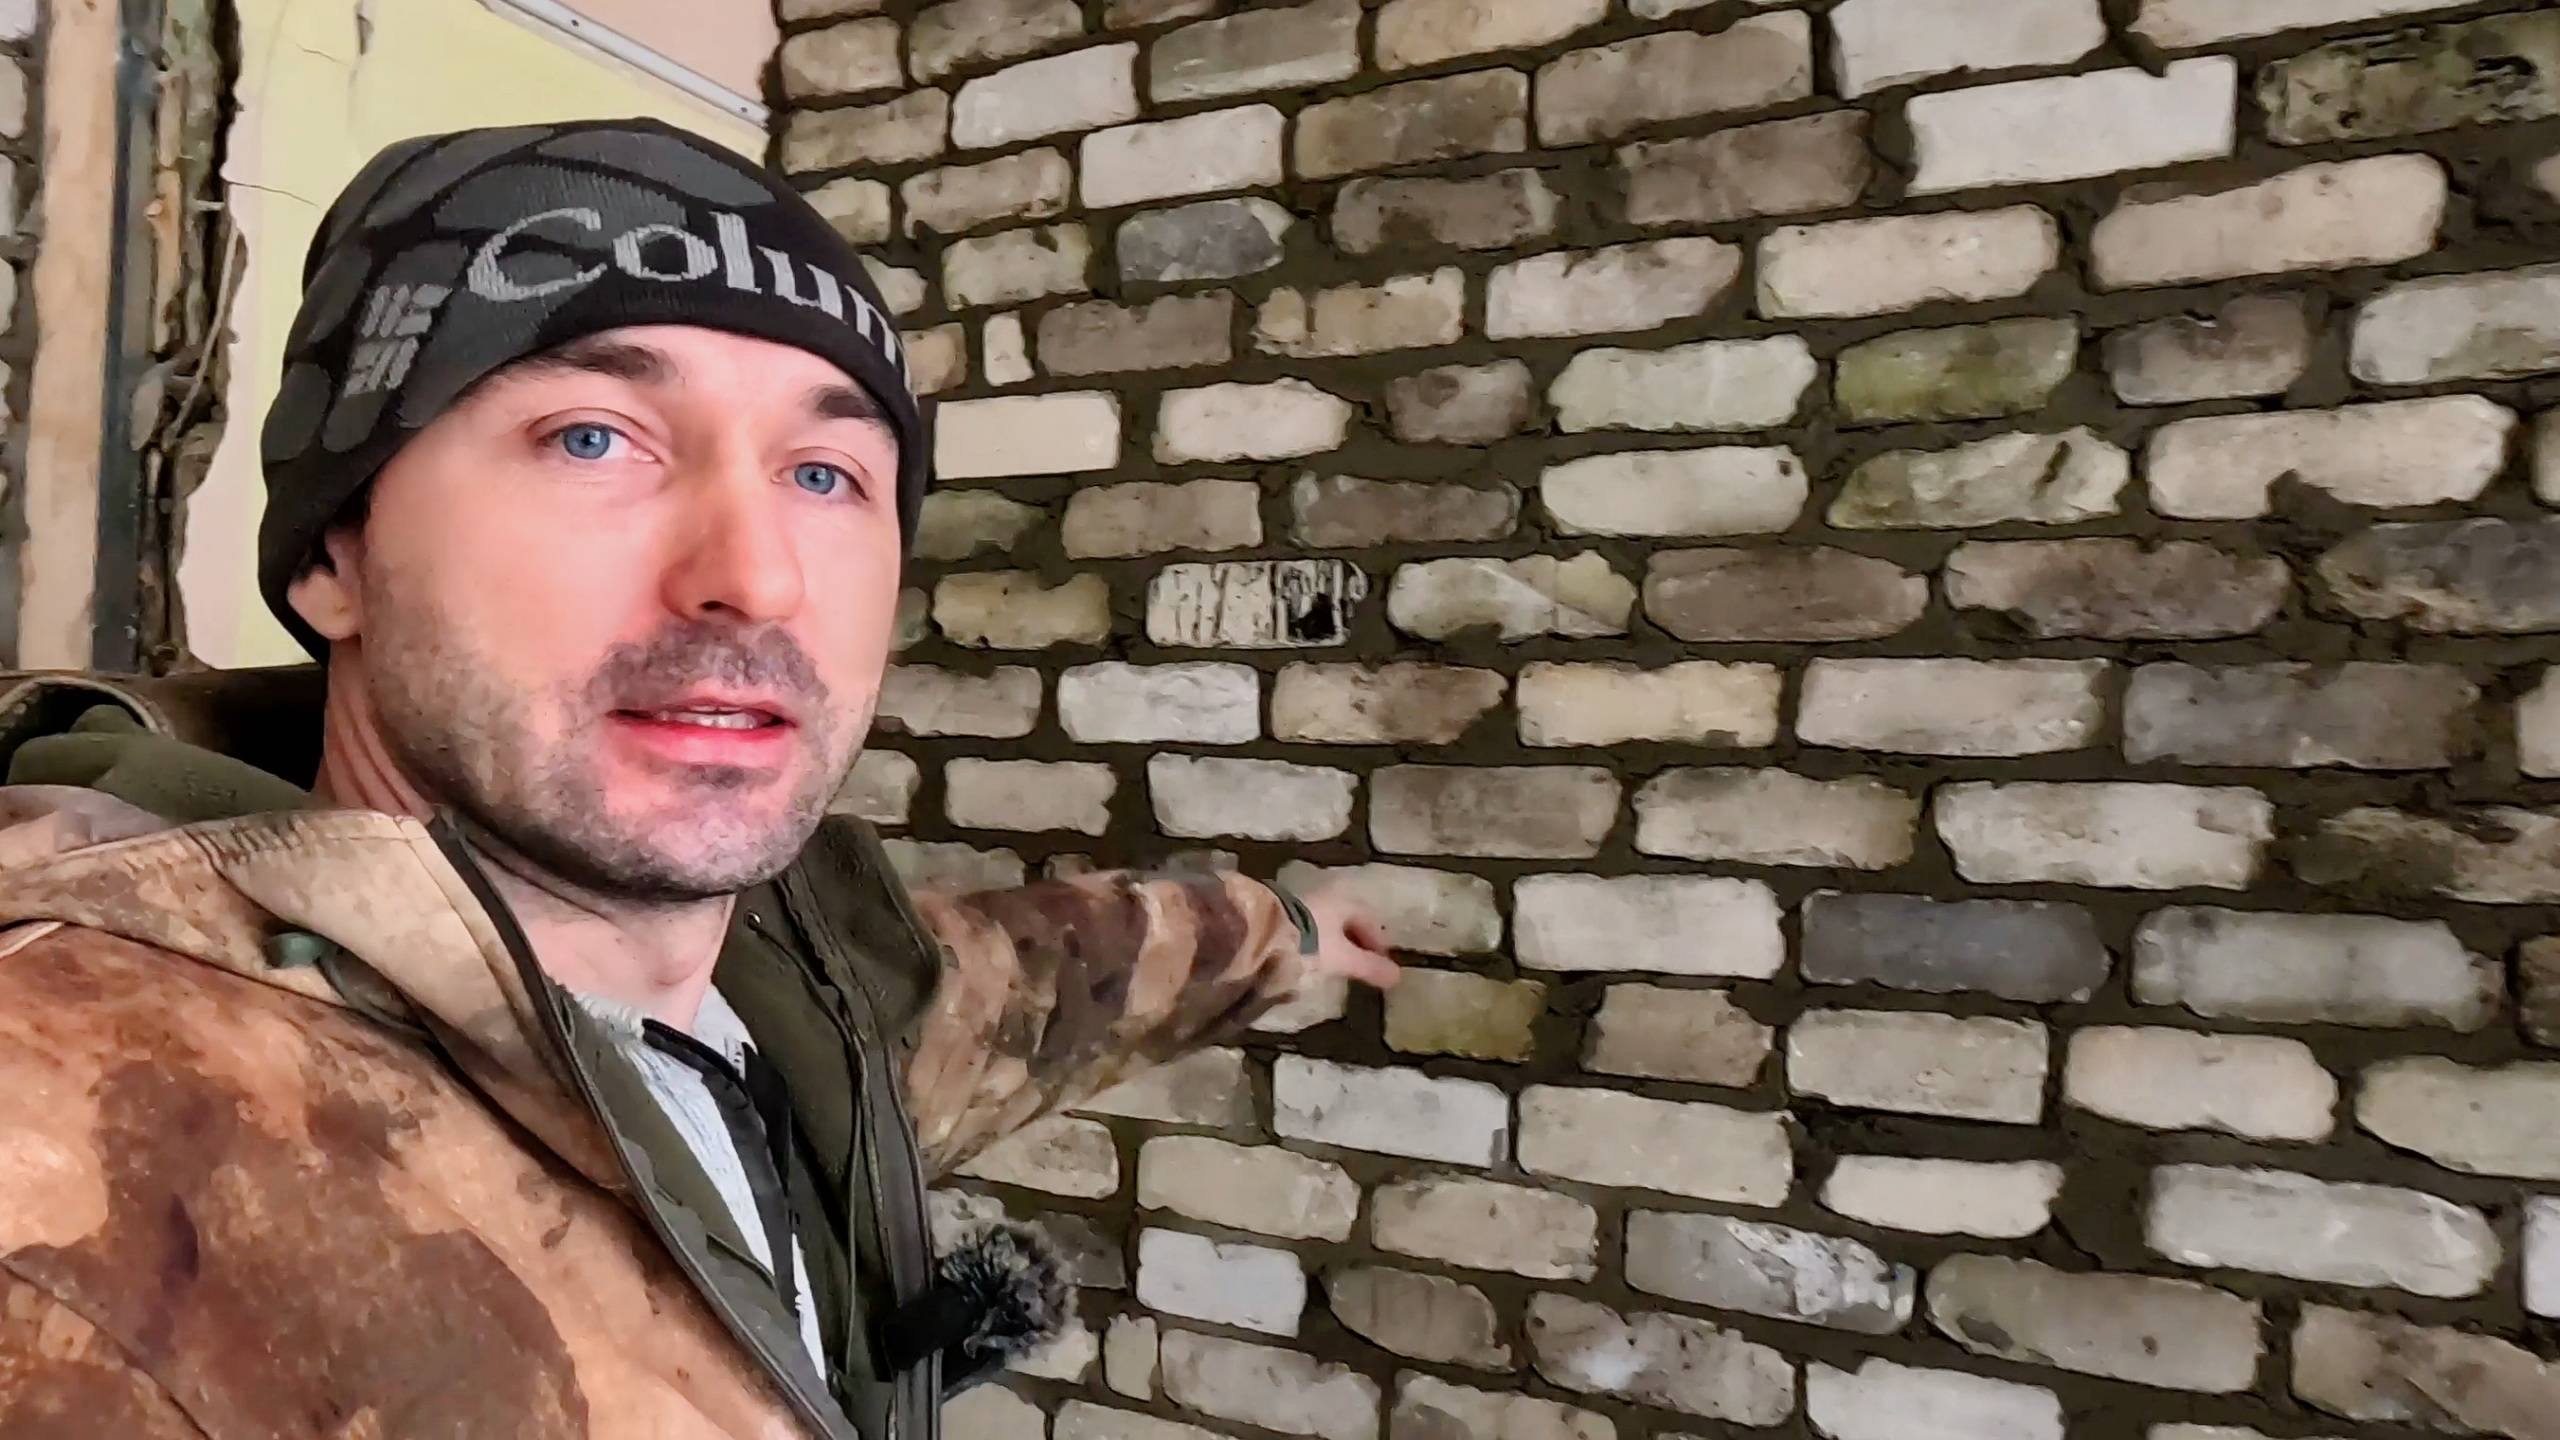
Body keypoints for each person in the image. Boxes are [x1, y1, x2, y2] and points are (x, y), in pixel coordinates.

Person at [0, 119, 1397, 1440]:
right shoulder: (72, 1162)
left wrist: (1289, 935)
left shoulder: (804, 1004)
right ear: (332, 556)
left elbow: (1047, 981)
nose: (755, 576)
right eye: (594, 439)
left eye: (826, 473)